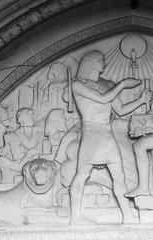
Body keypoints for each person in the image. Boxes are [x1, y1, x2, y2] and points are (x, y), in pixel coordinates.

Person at [69, 50, 151, 225]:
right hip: (91, 132)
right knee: (82, 174)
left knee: (118, 175)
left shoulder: (108, 84)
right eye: (99, 59)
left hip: (107, 133)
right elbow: (103, 99)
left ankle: (127, 216)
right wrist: (122, 85)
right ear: (89, 62)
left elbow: (120, 110)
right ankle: (75, 217)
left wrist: (142, 100)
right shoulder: (78, 84)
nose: (103, 63)